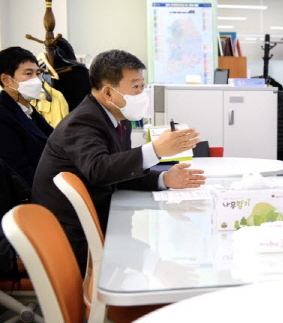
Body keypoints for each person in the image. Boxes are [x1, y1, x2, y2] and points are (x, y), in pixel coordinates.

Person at [32, 49, 206, 275]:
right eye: (135, 87)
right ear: (108, 93)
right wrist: (155, 150)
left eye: (143, 86)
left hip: (103, 222)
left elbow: (119, 169)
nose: (142, 93)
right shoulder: (83, 122)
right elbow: (100, 169)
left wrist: (164, 178)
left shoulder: (117, 118)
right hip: (74, 237)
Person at [0, 47, 54, 186]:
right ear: (6, 80)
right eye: (28, 73)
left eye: (38, 73)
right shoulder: (3, 116)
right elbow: (19, 170)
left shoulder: (28, 111)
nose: (36, 80)